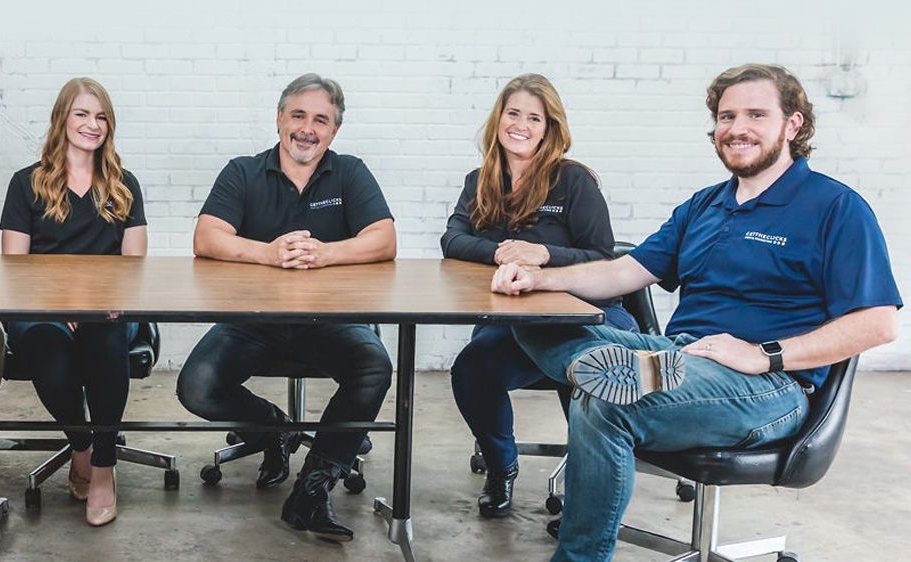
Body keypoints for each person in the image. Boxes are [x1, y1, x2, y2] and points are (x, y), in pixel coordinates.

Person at [490, 63, 901, 562]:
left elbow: (879, 322)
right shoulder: (705, 206)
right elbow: (622, 272)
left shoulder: (835, 207)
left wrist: (763, 355)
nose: (737, 128)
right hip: (679, 355)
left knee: (608, 404)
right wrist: (539, 280)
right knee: (531, 316)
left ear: (793, 124)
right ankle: (596, 368)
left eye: (756, 114)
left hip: (768, 385)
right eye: (727, 116)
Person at [177, 73, 395, 543]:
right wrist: (269, 252)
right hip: (253, 320)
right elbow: (207, 237)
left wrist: (326, 253)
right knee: (197, 387)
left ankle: (312, 491)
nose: (307, 129)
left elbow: (384, 239)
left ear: (334, 130)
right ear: (279, 118)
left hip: (330, 320)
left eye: (321, 120)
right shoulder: (243, 171)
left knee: (375, 365)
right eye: (298, 115)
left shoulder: (350, 171)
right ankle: (273, 428)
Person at [440, 74, 637, 518]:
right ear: (499, 119)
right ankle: (500, 468)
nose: (521, 125)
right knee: (471, 371)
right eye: (513, 114)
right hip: (516, 323)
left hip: (584, 317)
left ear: (549, 128)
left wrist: (544, 254)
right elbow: (452, 240)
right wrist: (501, 253)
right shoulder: (480, 180)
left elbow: (602, 256)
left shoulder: (573, 181)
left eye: (534, 118)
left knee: (582, 371)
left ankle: (586, 490)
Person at [0, 77, 146, 527]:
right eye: (82, 113)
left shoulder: (124, 185)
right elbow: (14, 268)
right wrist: (62, 307)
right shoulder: (26, 184)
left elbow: (135, 268)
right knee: (47, 350)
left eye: (101, 117)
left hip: (109, 307)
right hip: (42, 309)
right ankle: (81, 444)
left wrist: (96, 304)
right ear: (62, 118)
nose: (92, 124)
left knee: (104, 338)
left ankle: (103, 467)